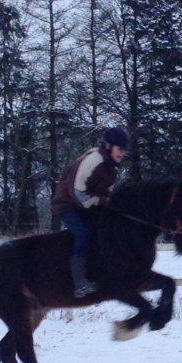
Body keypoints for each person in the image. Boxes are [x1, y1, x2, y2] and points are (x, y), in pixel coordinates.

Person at [52, 126, 130, 297]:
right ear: (108, 146)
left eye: (124, 150)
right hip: (67, 204)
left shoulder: (111, 167)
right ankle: (79, 283)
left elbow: (104, 193)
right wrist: (101, 201)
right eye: (119, 148)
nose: (122, 153)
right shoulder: (94, 161)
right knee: (82, 233)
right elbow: (78, 192)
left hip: (84, 204)